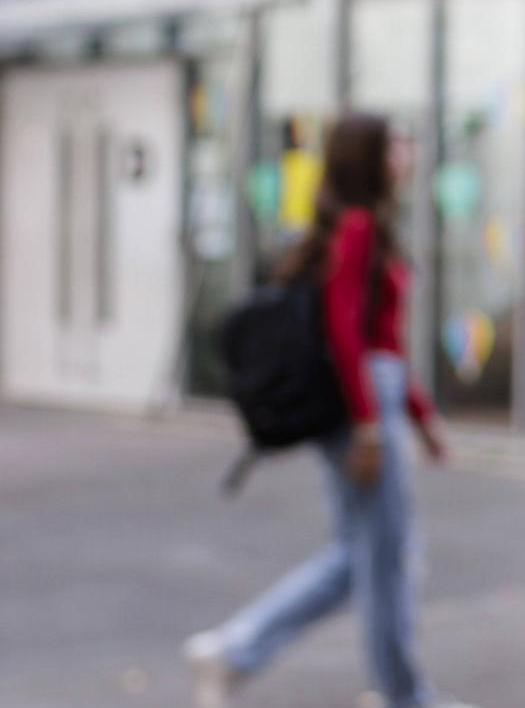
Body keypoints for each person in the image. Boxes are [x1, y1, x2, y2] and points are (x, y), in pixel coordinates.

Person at [186, 113, 468, 708]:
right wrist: (371, 425)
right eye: (395, 142)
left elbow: (381, 338)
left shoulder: (353, 225)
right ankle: (402, 696)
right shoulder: (360, 226)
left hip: (366, 400)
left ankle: (234, 649)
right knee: (386, 559)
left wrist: (423, 420)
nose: (407, 150)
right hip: (361, 407)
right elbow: (349, 333)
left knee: (356, 557)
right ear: (369, 156)